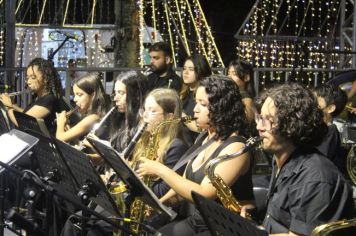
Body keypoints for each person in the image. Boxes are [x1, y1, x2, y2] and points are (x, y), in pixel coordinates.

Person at [137, 75, 255, 235]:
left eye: (203, 104)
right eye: (196, 102)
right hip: (198, 221)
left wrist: (161, 170)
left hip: (221, 229)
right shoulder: (206, 137)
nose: (195, 109)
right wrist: (160, 204)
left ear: (221, 107)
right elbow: (183, 182)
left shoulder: (236, 147)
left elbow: (205, 193)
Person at [253, 83, 353, 235]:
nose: (259, 127)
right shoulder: (281, 159)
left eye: (269, 120)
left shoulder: (315, 177)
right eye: (259, 118)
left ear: (292, 124)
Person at [0, 57, 62, 132]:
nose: (28, 82)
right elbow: (27, 113)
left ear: (45, 79)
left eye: (33, 77)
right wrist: (12, 105)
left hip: (42, 142)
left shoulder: (49, 100)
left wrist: (8, 107)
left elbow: (22, 122)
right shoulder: (39, 97)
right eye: (27, 78)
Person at [56, 72, 110, 144]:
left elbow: (60, 139)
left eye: (79, 95)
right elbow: (79, 144)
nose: (75, 99)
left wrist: (60, 123)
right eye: (74, 94)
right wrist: (67, 128)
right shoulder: (92, 115)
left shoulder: (93, 118)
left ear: (93, 96)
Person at [313, 84, 348, 172]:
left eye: (315, 101)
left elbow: (318, 162)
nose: (310, 104)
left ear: (330, 108)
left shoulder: (330, 131)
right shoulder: (316, 127)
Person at [180, 54, 211, 135]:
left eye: (191, 69)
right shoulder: (183, 94)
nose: (185, 72)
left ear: (200, 71)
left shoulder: (205, 96)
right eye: (184, 68)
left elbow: (200, 129)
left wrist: (183, 117)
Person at [227, 59, 256, 123]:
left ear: (246, 77)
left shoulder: (247, 100)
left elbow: (246, 123)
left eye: (234, 74)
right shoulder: (229, 95)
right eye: (228, 74)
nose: (229, 77)